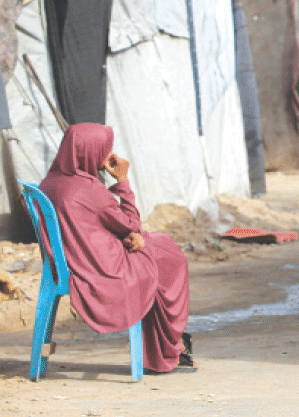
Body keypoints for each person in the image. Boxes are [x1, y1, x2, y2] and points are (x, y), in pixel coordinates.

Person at [39, 123, 194, 374]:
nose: (108, 154)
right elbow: (131, 223)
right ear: (89, 151)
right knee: (170, 256)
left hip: (71, 259)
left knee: (158, 245)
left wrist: (131, 236)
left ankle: (166, 346)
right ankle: (167, 347)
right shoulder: (87, 188)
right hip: (100, 266)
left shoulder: (50, 183)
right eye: (104, 148)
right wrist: (122, 180)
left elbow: (87, 226)